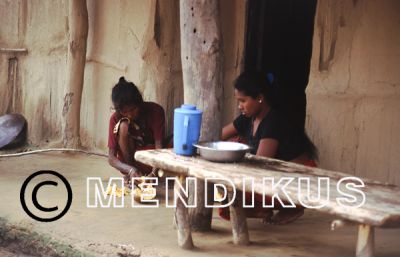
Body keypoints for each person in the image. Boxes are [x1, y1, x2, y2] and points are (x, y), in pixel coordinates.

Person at [220, 70, 318, 225]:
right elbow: (220, 136)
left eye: (243, 101)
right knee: (227, 204)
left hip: (301, 180)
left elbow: (259, 165)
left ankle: (293, 206)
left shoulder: (273, 122)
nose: (239, 106)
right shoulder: (248, 118)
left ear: (259, 98)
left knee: (235, 192)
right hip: (278, 176)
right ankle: (263, 208)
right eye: (238, 101)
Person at [108, 77, 168, 186]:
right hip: (130, 162)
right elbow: (111, 158)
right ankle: (134, 175)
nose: (129, 115)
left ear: (139, 102)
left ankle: (142, 174)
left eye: (133, 110)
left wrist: (154, 174)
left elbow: (159, 148)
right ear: (118, 110)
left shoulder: (156, 111)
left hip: (150, 160)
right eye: (124, 112)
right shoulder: (115, 118)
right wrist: (130, 170)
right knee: (123, 126)